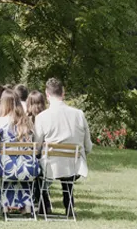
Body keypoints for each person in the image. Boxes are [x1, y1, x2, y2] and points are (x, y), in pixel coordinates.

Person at [35, 78, 92, 217]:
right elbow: (88, 146)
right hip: (74, 166)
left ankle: (44, 204)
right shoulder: (79, 114)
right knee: (67, 170)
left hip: (50, 166)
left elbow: (37, 147)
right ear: (63, 93)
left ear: (47, 95)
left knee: (35, 167)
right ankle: (69, 204)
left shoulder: (42, 117)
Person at [0, 93, 41, 216]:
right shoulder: (28, 121)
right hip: (29, 167)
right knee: (21, 174)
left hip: (6, 168)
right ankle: (27, 207)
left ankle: (5, 206)